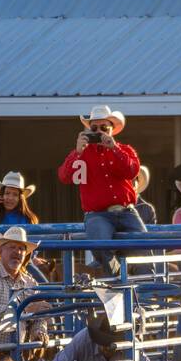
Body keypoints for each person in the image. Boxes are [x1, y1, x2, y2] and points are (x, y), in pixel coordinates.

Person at [58, 104, 146, 275]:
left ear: (112, 129)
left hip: (126, 211)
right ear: (89, 129)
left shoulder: (125, 150)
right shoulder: (81, 153)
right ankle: (121, 278)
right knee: (98, 246)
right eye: (94, 128)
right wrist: (77, 151)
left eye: (104, 127)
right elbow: (64, 177)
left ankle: (139, 286)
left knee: (145, 246)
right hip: (98, 214)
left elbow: (132, 170)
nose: (99, 131)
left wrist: (114, 148)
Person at [0, 226, 49, 348]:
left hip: (18, 352)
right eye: (12, 247)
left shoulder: (31, 283)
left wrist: (39, 331)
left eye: (21, 249)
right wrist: (25, 310)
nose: (17, 252)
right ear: (0, 251)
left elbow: (39, 315)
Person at [0, 171, 48, 281]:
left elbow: (34, 241)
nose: (10, 198)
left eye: (15, 194)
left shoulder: (27, 217)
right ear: (1, 194)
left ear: (20, 198)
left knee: (42, 284)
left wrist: (32, 257)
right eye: (7, 193)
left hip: (19, 260)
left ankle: (49, 297)